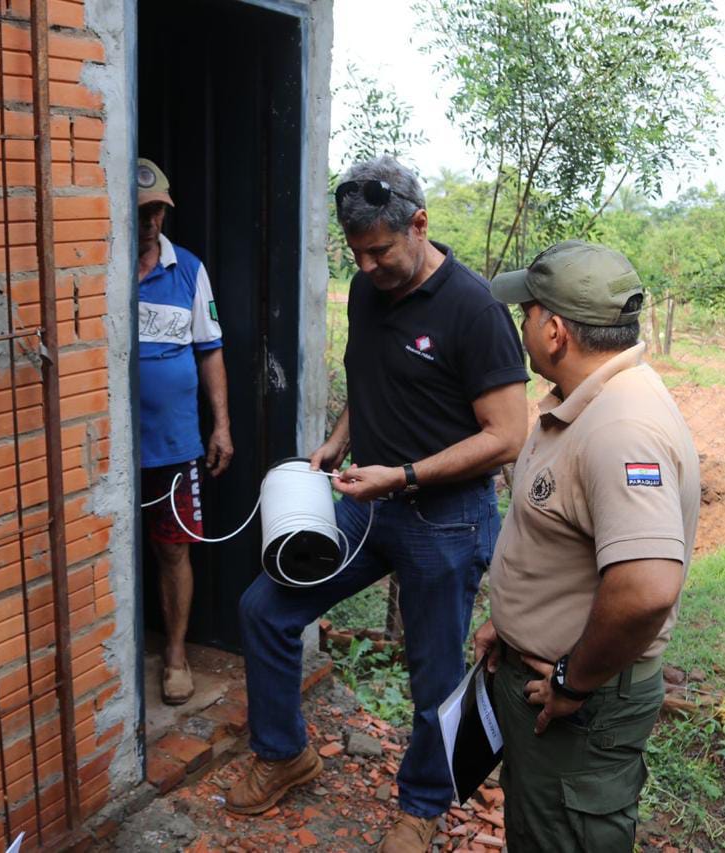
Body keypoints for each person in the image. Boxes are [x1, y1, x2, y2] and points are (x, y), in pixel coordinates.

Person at [229, 155, 530, 853]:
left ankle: (420, 805)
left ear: (418, 224)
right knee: (265, 609)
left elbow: (507, 436)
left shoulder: (473, 309)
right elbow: (365, 377)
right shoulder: (368, 291)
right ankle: (283, 753)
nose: (364, 268)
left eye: (378, 252)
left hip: (445, 519)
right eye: (355, 253)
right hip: (369, 501)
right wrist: (338, 439)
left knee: (432, 675)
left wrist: (402, 474)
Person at [473, 241, 699, 852]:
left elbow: (646, 588)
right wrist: (515, 624)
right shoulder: (590, 403)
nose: (521, 324)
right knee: (539, 824)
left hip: (583, 699)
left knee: (566, 836)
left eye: (527, 312)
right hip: (545, 673)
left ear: (552, 330)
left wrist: (574, 680)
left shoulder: (622, 427)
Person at [137, 158, 233, 704]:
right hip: (107, 448)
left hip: (174, 446)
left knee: (174, 551)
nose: (149, 221)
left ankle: (174, 654)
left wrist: (221, 425)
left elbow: (210, 351)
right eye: (141, 210)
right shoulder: (99, 267)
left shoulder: (190, 271)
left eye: (157, 210)